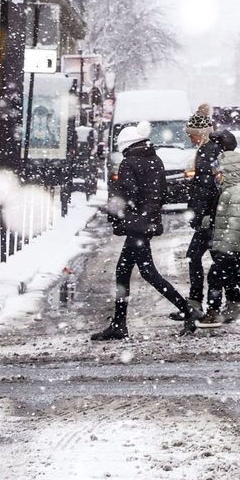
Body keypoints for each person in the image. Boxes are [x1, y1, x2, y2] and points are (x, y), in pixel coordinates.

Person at [93, 132, 196, 340]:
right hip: (145, 222)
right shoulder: (155, 159)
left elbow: (127, 195)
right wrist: (150, 212)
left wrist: (114, 211)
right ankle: (119, 324)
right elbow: (162, 192)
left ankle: (187, 310)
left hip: (136, 225)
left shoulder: (128, 163)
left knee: (148, 273)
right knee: (123, 271)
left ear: (126, 145)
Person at [201, 149, 240, 326]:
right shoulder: (228, 192)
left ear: (230, 173)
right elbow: (227, 218)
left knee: (216, 275)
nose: (216, 176)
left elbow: (236, 223)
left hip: (232, 246)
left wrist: (225, 247)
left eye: (219, 172)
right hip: (236, 246)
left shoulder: (235, 193)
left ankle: (213, 312)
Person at [183, 104, 221, 314]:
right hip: (212, 216)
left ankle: (202, 304)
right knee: (219, 262)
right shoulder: (208, 151)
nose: (190, 139)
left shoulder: (207, 152)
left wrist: (200, 215)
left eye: (192, 135)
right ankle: (210, 304)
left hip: (210, 217)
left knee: (200, 258)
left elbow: (205, 188)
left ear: (200, 134)